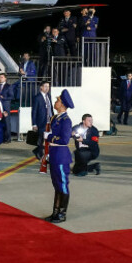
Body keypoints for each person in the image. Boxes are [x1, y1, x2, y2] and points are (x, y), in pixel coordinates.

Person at [44, 89, 74, 223]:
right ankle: (55, 211)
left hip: (61, 155)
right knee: (56, 184)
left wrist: (49, 137)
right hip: (54, 153)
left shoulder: (66, 120)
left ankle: (62, 213)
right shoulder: (55, 118)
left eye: (57, 101)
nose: (55, 103)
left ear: (62, 105)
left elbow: (64, 140)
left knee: (62, 184)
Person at [31, 81, 53, 160]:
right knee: (41, 138)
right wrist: (34, 124)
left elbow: (51, 108)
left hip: (49, 120)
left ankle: (38, 151)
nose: (47, 88)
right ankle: (39, 153)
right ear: (41, 87)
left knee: (48, 138)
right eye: (45, 86)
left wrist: (53, 118)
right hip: (41, 121)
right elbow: (34, 111)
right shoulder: (37, 97)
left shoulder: (48, 96)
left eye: (48, 86)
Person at [0, 73, 14, 143]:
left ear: (5, 78)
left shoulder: (8, 86)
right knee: (1, 123)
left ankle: (8, 138)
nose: (0, 79)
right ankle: (2, 138)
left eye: (2, 77)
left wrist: (4, 98)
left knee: (7, 122)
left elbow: (12, 96)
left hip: (6, 106)